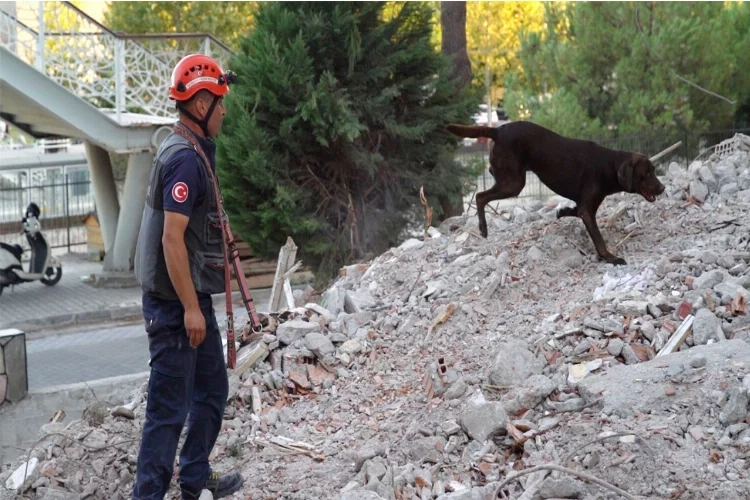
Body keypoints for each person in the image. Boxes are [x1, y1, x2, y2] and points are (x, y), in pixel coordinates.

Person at [131, 53, 243, 500]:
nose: (225, 110)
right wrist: (193, 310)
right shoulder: (183, 160)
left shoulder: (190, 147)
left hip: (189, 297)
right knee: (168, 411)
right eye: (220, 101)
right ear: (200, 105)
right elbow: (171, 242)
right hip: (177, 306)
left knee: (212, 390)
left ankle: (194, 476)